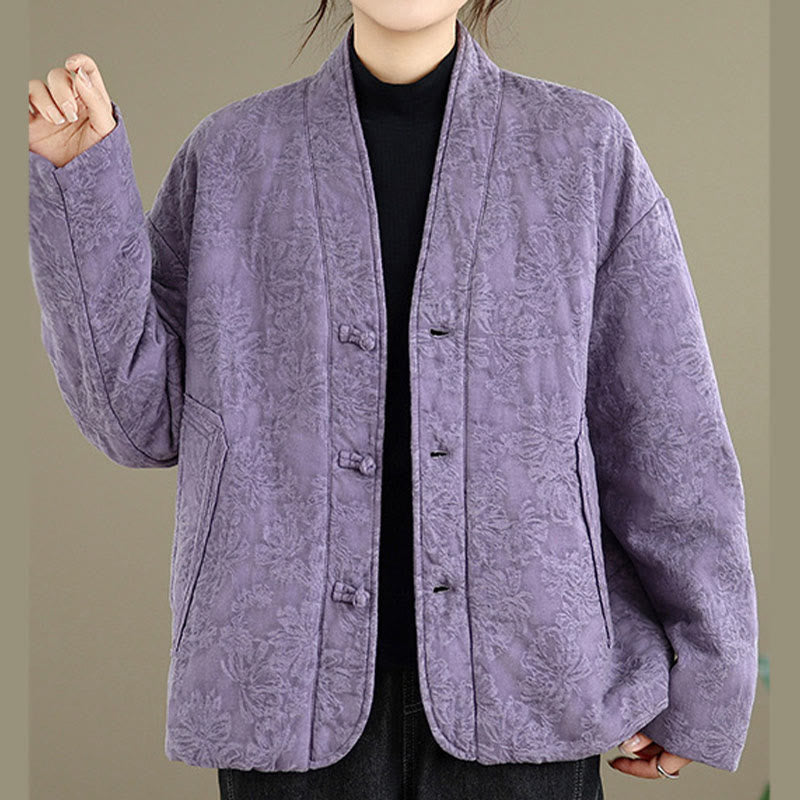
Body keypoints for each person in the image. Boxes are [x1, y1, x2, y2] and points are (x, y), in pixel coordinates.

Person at [28, 1, 758, 798]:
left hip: (531, 691)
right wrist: (81, 184)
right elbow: (139, 420)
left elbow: (666, 434)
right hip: (284, 700)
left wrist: (708, 679)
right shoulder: (232, 154)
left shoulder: (581, 148)